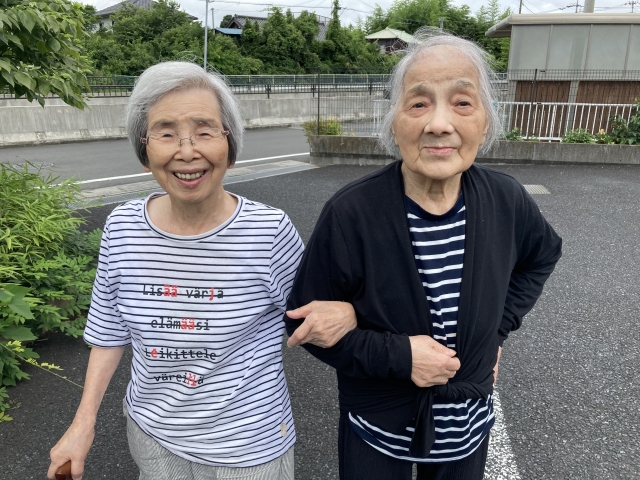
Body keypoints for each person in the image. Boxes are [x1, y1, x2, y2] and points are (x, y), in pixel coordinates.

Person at [47, 61, 355, 480]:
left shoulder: (267, 232)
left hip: (248, 448)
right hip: (152, 437)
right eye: (166, 133)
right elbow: (108, 330)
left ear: (229, 143)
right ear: (145, 150)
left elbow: (314, 310)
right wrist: (82, 423)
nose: (187, 151)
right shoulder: (122, 227)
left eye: (205, 131)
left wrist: (348, 311)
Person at [284, 31, 563, 480]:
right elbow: (304, 324)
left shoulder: (506, 199)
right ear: (394, 123)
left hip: (467, 428)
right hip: (376, 431)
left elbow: (541, 256)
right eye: (418, 104)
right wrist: (399, 356)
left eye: (462, 102)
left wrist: (497, 330)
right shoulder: (352, 212)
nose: (438, 123)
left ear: (486, 122)